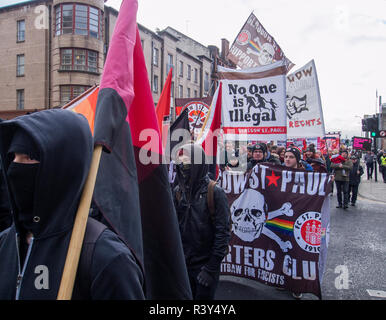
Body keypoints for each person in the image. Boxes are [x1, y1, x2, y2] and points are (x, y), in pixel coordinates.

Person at [0, 109, 145, 300]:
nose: (15, 167)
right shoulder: (5, 243)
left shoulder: (106, 257)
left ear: (61, 167)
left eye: (29, 157)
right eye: (14, 157)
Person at [173, 143, 230, 300]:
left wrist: (211, 268)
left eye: (186, 163)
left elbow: (223, 233)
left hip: (204, 265)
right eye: (180, 163)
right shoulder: (178, 192)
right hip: (183, 265)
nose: (183, 167)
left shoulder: (215, 192)